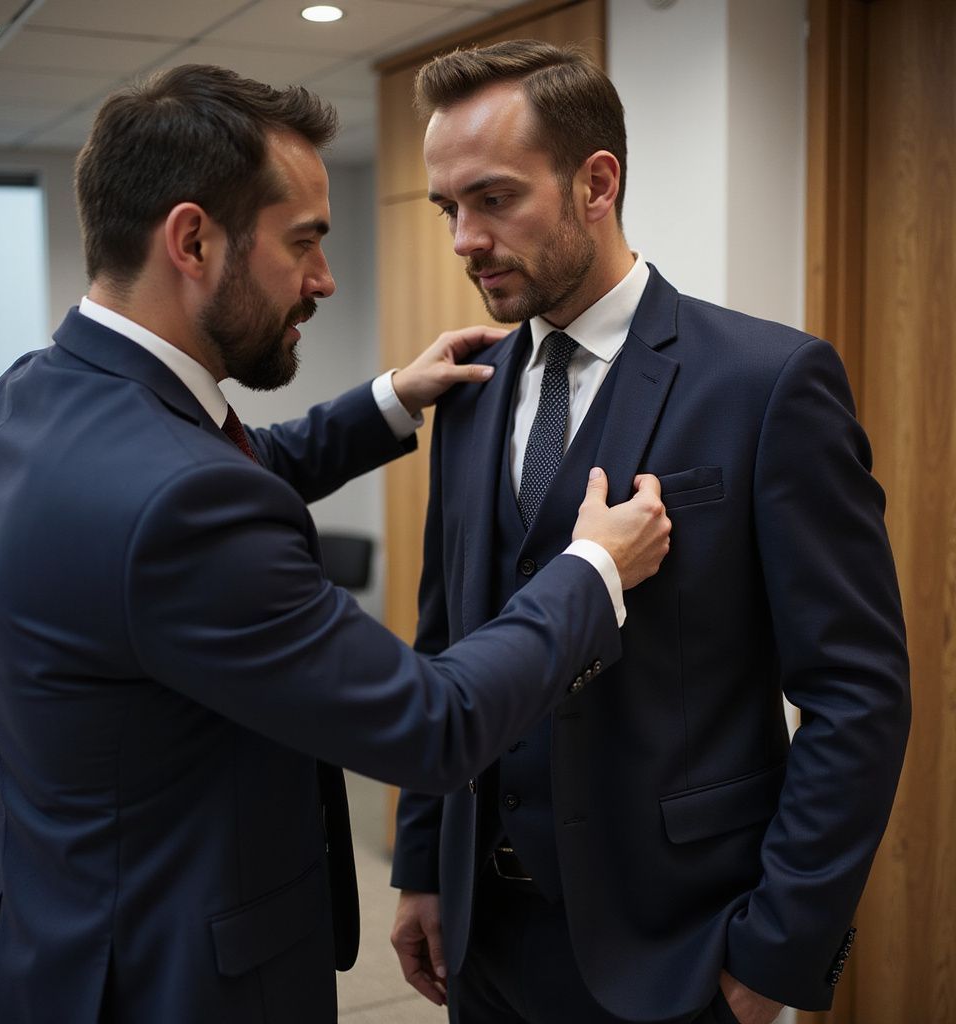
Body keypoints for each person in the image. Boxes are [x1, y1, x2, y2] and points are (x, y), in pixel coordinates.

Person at [0, 64, 675, 1024]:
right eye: (304, 244)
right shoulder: (178, 502)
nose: (326, 280)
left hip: (54, 937)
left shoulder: (30, 396)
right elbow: (433, 723)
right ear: (193, 241)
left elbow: (205, 483)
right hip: (175, 977)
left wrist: (386, 402)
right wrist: (593, 573)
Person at [389, 40, 910, 1024]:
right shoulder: (463, 395)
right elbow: (442, 644)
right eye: (447, 209)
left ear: (596, 182)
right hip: (481, 938)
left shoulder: (766, 383)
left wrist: (780, 947)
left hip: (679, 945)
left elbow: (856, 692)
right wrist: (423, 864)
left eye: (493, 199)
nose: (463, 239)